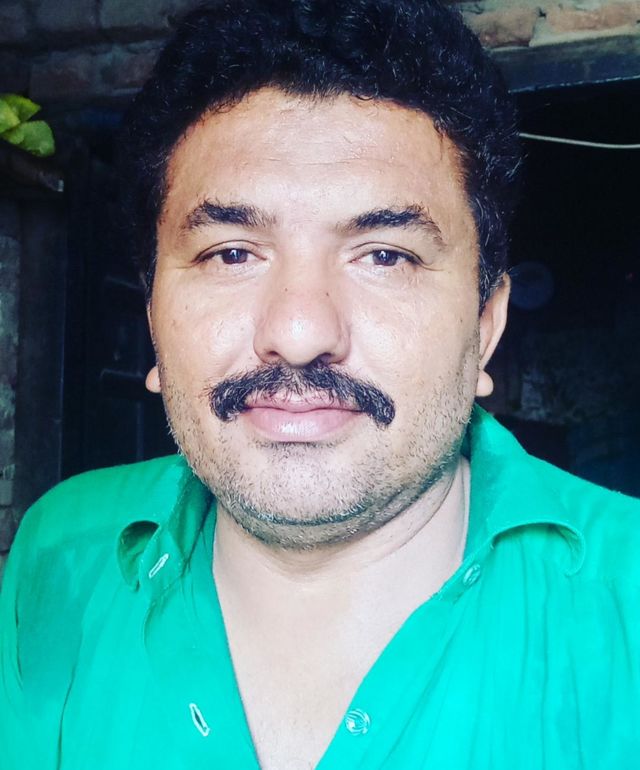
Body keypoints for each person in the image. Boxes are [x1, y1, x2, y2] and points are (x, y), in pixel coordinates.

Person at [1, 1, 639, 768]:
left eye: (386, 256)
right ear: (154, 319)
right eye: (232, 254)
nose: (300, 333)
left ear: (486, 327)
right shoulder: (60, 548)